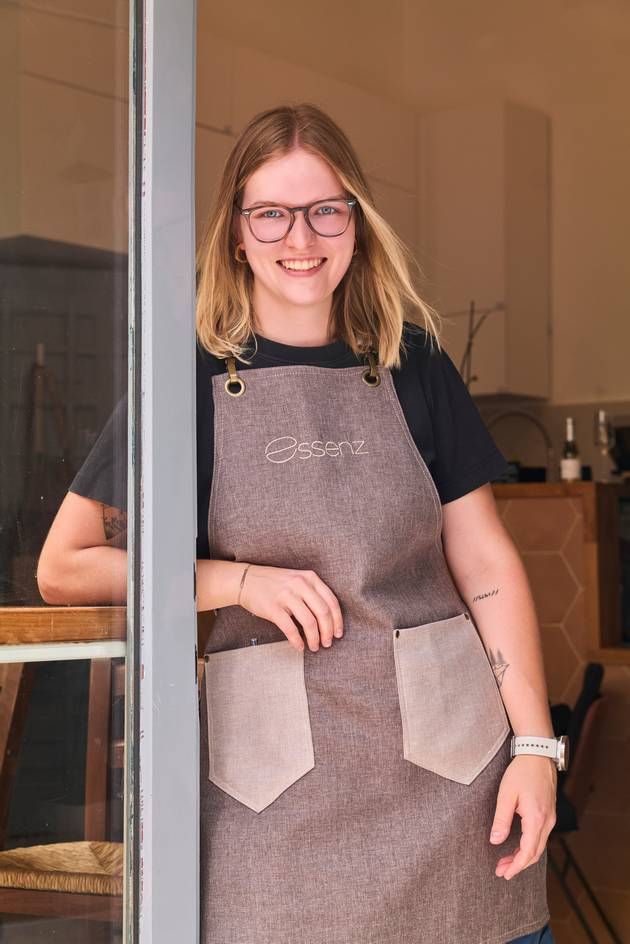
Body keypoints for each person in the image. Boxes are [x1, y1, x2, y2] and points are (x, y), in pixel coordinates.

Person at [38, 103, 558, 944]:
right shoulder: (187, 380)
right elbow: (66, 565)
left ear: (355, 221)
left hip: (456, 781)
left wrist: (535, 748)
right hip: (272, 796)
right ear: (236, 232)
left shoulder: (410, 359)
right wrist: (233, 581)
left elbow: (484, 557)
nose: (301, 237)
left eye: (325, 210)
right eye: (271, 213)